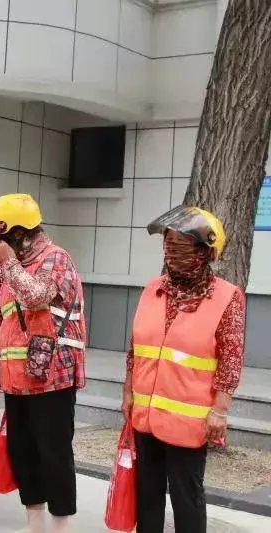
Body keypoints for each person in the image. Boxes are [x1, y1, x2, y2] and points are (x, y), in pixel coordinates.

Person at [121, 206, 244, 533]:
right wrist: (128, 392)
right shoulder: (153, 289)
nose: (173, 254)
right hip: (146, 415)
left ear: (205, 251)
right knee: (146, 494)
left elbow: (231, 358)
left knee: (186, 496)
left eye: (182, 246)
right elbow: (136, 348)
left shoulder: (226, 297)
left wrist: (219, 410)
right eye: (168, 245)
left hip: (189, 420)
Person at [0, 193, 86, 533]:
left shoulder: (56, 259)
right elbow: (4, 321)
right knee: (23, 452)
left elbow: (37, 296)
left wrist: (9, 263)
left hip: (53, 376)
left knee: (53, 453)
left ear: (18, 233)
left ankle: (59, 527)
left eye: (0, 238)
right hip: (17, 378)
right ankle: (34, 524)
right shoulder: (14, 267)